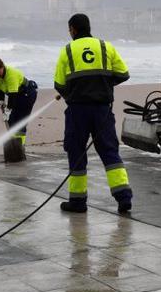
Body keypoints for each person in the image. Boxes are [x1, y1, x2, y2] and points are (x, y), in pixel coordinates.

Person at [54, 14, 132, 214]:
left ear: (73, 29)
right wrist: (103, 85)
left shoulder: (67, 51)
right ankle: (124, 198)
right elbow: (123, 74)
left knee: (77, 153)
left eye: (69, 29)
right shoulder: (106, 47)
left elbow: (59, 84)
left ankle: (78, 202)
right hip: (102, 110)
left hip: (77, 111)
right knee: (109, 152)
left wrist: (73, 93)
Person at [0, 58, 38, 146]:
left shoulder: (11, 74)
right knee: (11, 120)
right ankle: (13, 142)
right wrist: (1, 101)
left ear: (3, 67)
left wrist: (7, 111)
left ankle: (20, 146)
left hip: (27, 94)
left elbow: (12, 95)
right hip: (16, 96)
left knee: (21, 121)